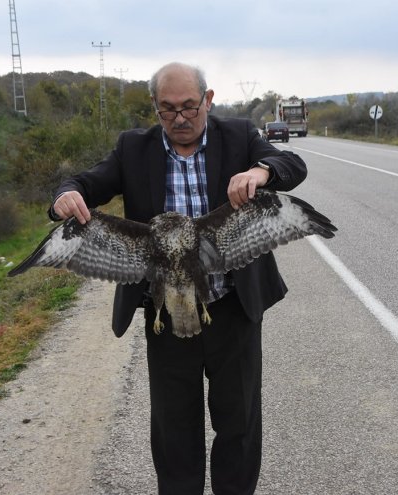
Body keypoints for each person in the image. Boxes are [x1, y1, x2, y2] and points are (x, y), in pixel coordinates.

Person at [49, 62, 307, 494]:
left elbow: (291, 164)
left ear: (208, 100)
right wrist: (64, 195)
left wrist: (261, 172)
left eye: (190, 106)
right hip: (166, 317)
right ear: (154, 108)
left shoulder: (240, 135)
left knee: (239, 425)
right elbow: (82, 183)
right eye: (167, 110)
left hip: (234, 310)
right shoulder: (133, 148)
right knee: (174, 433)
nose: (180, 118)